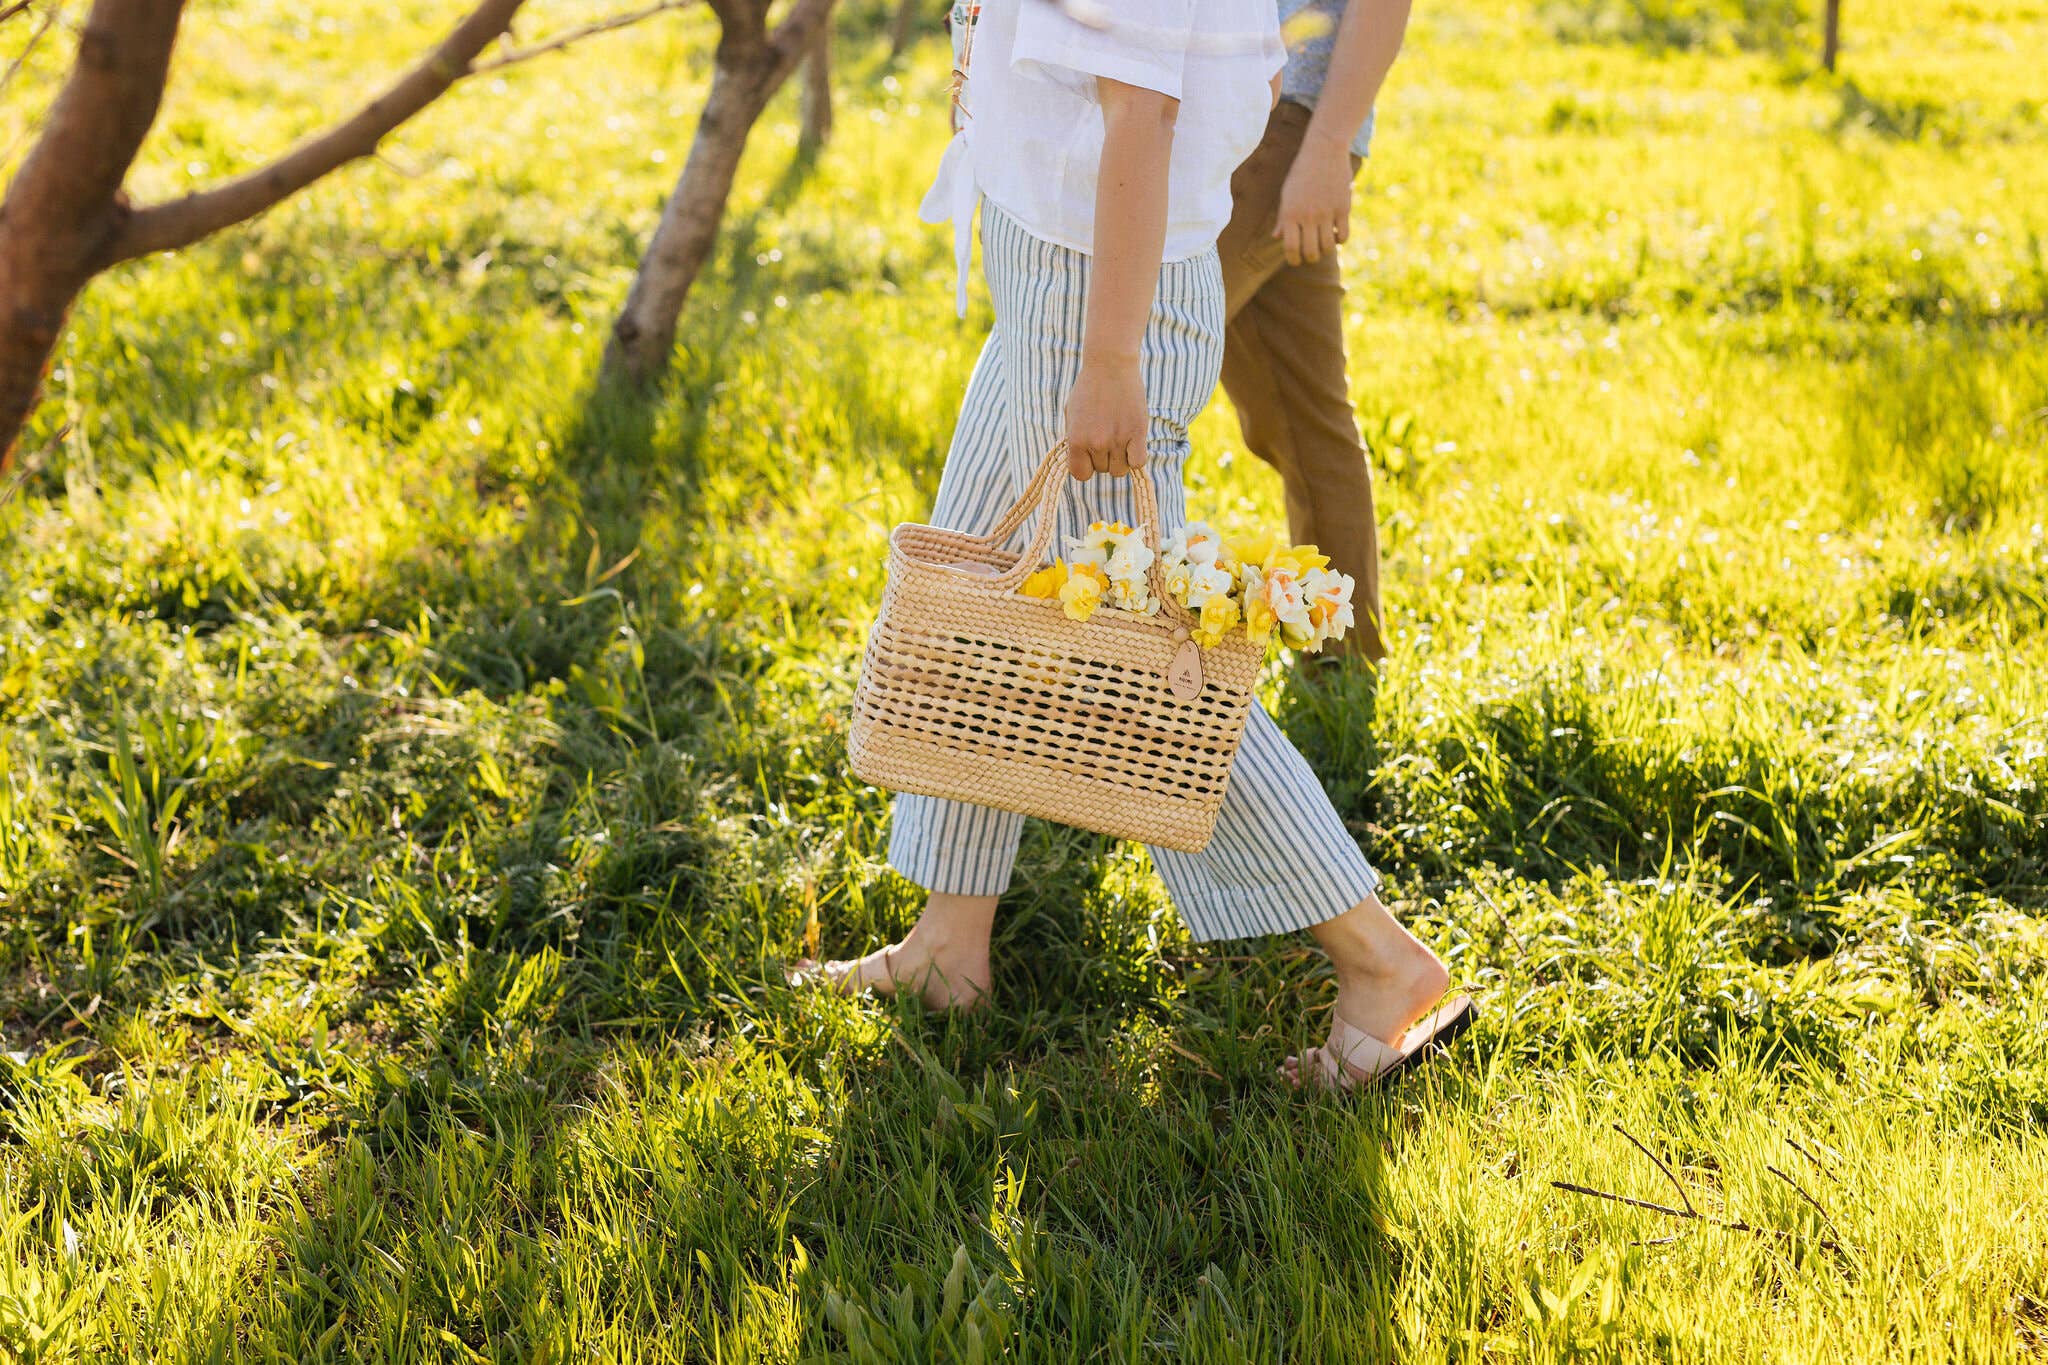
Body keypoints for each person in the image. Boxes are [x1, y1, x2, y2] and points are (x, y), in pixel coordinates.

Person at [799, 0, 1469, 1088]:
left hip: (1094, 292)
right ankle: (946, 943)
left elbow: (1145, 114)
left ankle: (1381, 960)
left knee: (1149, 653)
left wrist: (1109, 358)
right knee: (987, 585)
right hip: (1055, 267)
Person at [1217, 0, 1412, 664]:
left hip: (1281, 123)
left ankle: (1068, 654)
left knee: (1135, 363)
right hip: (1239, 119)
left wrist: (1328, 144)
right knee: (1303, 413)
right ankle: (1344, 679)